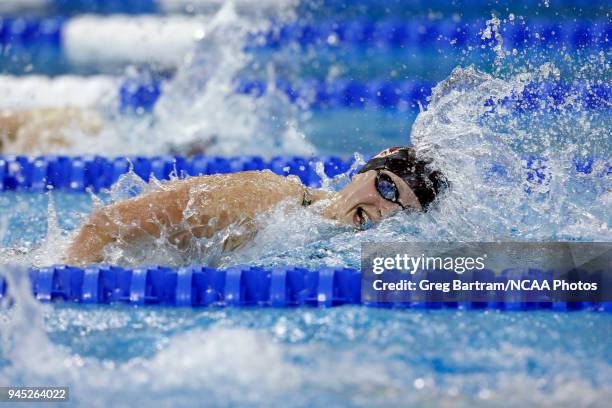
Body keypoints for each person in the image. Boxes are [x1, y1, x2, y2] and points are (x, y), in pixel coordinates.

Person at [65, 147, 447, 265]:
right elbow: (106, 225)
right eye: (387, 188)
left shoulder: (337, 242)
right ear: (367, 170)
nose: (384, 209)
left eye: (403, 211)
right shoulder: (268, 198)